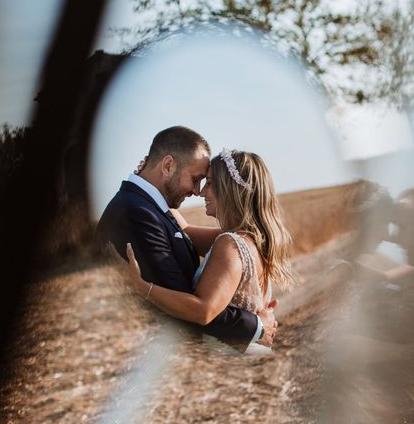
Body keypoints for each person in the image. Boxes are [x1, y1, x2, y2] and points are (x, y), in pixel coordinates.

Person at [95, 126, 278, 349]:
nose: (198, 191)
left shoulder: (232, 241)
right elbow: (188, 307)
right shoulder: (136, 212)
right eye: (196, 179)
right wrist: (257, 325)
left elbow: (195, 305)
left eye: (206, 182)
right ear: (168, 166)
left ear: (230, 191)